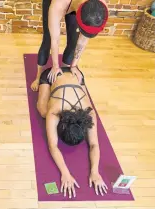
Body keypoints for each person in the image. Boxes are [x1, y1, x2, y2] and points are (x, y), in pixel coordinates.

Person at [37, 66, 107, 198]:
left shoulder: (89, 112)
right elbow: (53, 146)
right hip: (52, 75)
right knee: (42, 111)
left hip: (77, 76)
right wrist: (65, 173)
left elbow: (94, 144)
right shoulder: (54, 112)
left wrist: (95, 171)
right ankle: (42, 79)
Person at [31, 0, 108, 91]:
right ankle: (38, 77)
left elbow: (83, 40)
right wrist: (55, 66)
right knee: (47, 40)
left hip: (75, 4)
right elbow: (55, 40)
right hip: (57, 3)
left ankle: (64, 75)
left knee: (73, 43)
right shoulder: (58, 5)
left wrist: (74, 66)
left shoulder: (101, 9)